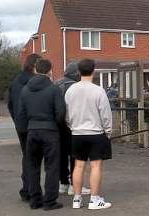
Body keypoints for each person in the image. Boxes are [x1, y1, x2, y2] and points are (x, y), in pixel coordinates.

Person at [65, 59, 114, 210]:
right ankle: (94, 199)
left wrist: (72, 126)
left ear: (79, 71)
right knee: (95, 166)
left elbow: (66, 114)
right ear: (94, 70)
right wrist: (108, 131)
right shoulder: (98, 90)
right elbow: (106, 114)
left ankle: (77, 199)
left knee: (78, 166)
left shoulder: (70, 90)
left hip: (77, 133)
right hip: (95, 133)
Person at [18, 59, 66, 210]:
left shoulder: (25, 89)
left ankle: (35, 200)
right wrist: (54, 125)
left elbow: (21, 114)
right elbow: (61, 113)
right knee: (51, 167)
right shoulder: (54, 89)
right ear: (50, 70)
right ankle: (50, 201)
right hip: (50, 131)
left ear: (35, 69)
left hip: (32, 131)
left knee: (32, 166)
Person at [9, 53, 41, 201]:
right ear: (35, 65)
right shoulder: (34, 82)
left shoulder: (16, 81)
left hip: (20, 125)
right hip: (32, 125)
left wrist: (17, 120)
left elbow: (10, 103)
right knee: (33, 160)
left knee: (27, 157)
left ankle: (27, 189)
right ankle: (31, 191)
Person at [54, 62, 88, 196]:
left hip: (57, 125)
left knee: (62, 155)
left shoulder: (56, 84)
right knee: (75, 155)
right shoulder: (76, 87)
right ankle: (75, 185)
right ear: (76, 74)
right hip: (73, 125)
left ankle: (63, 183)